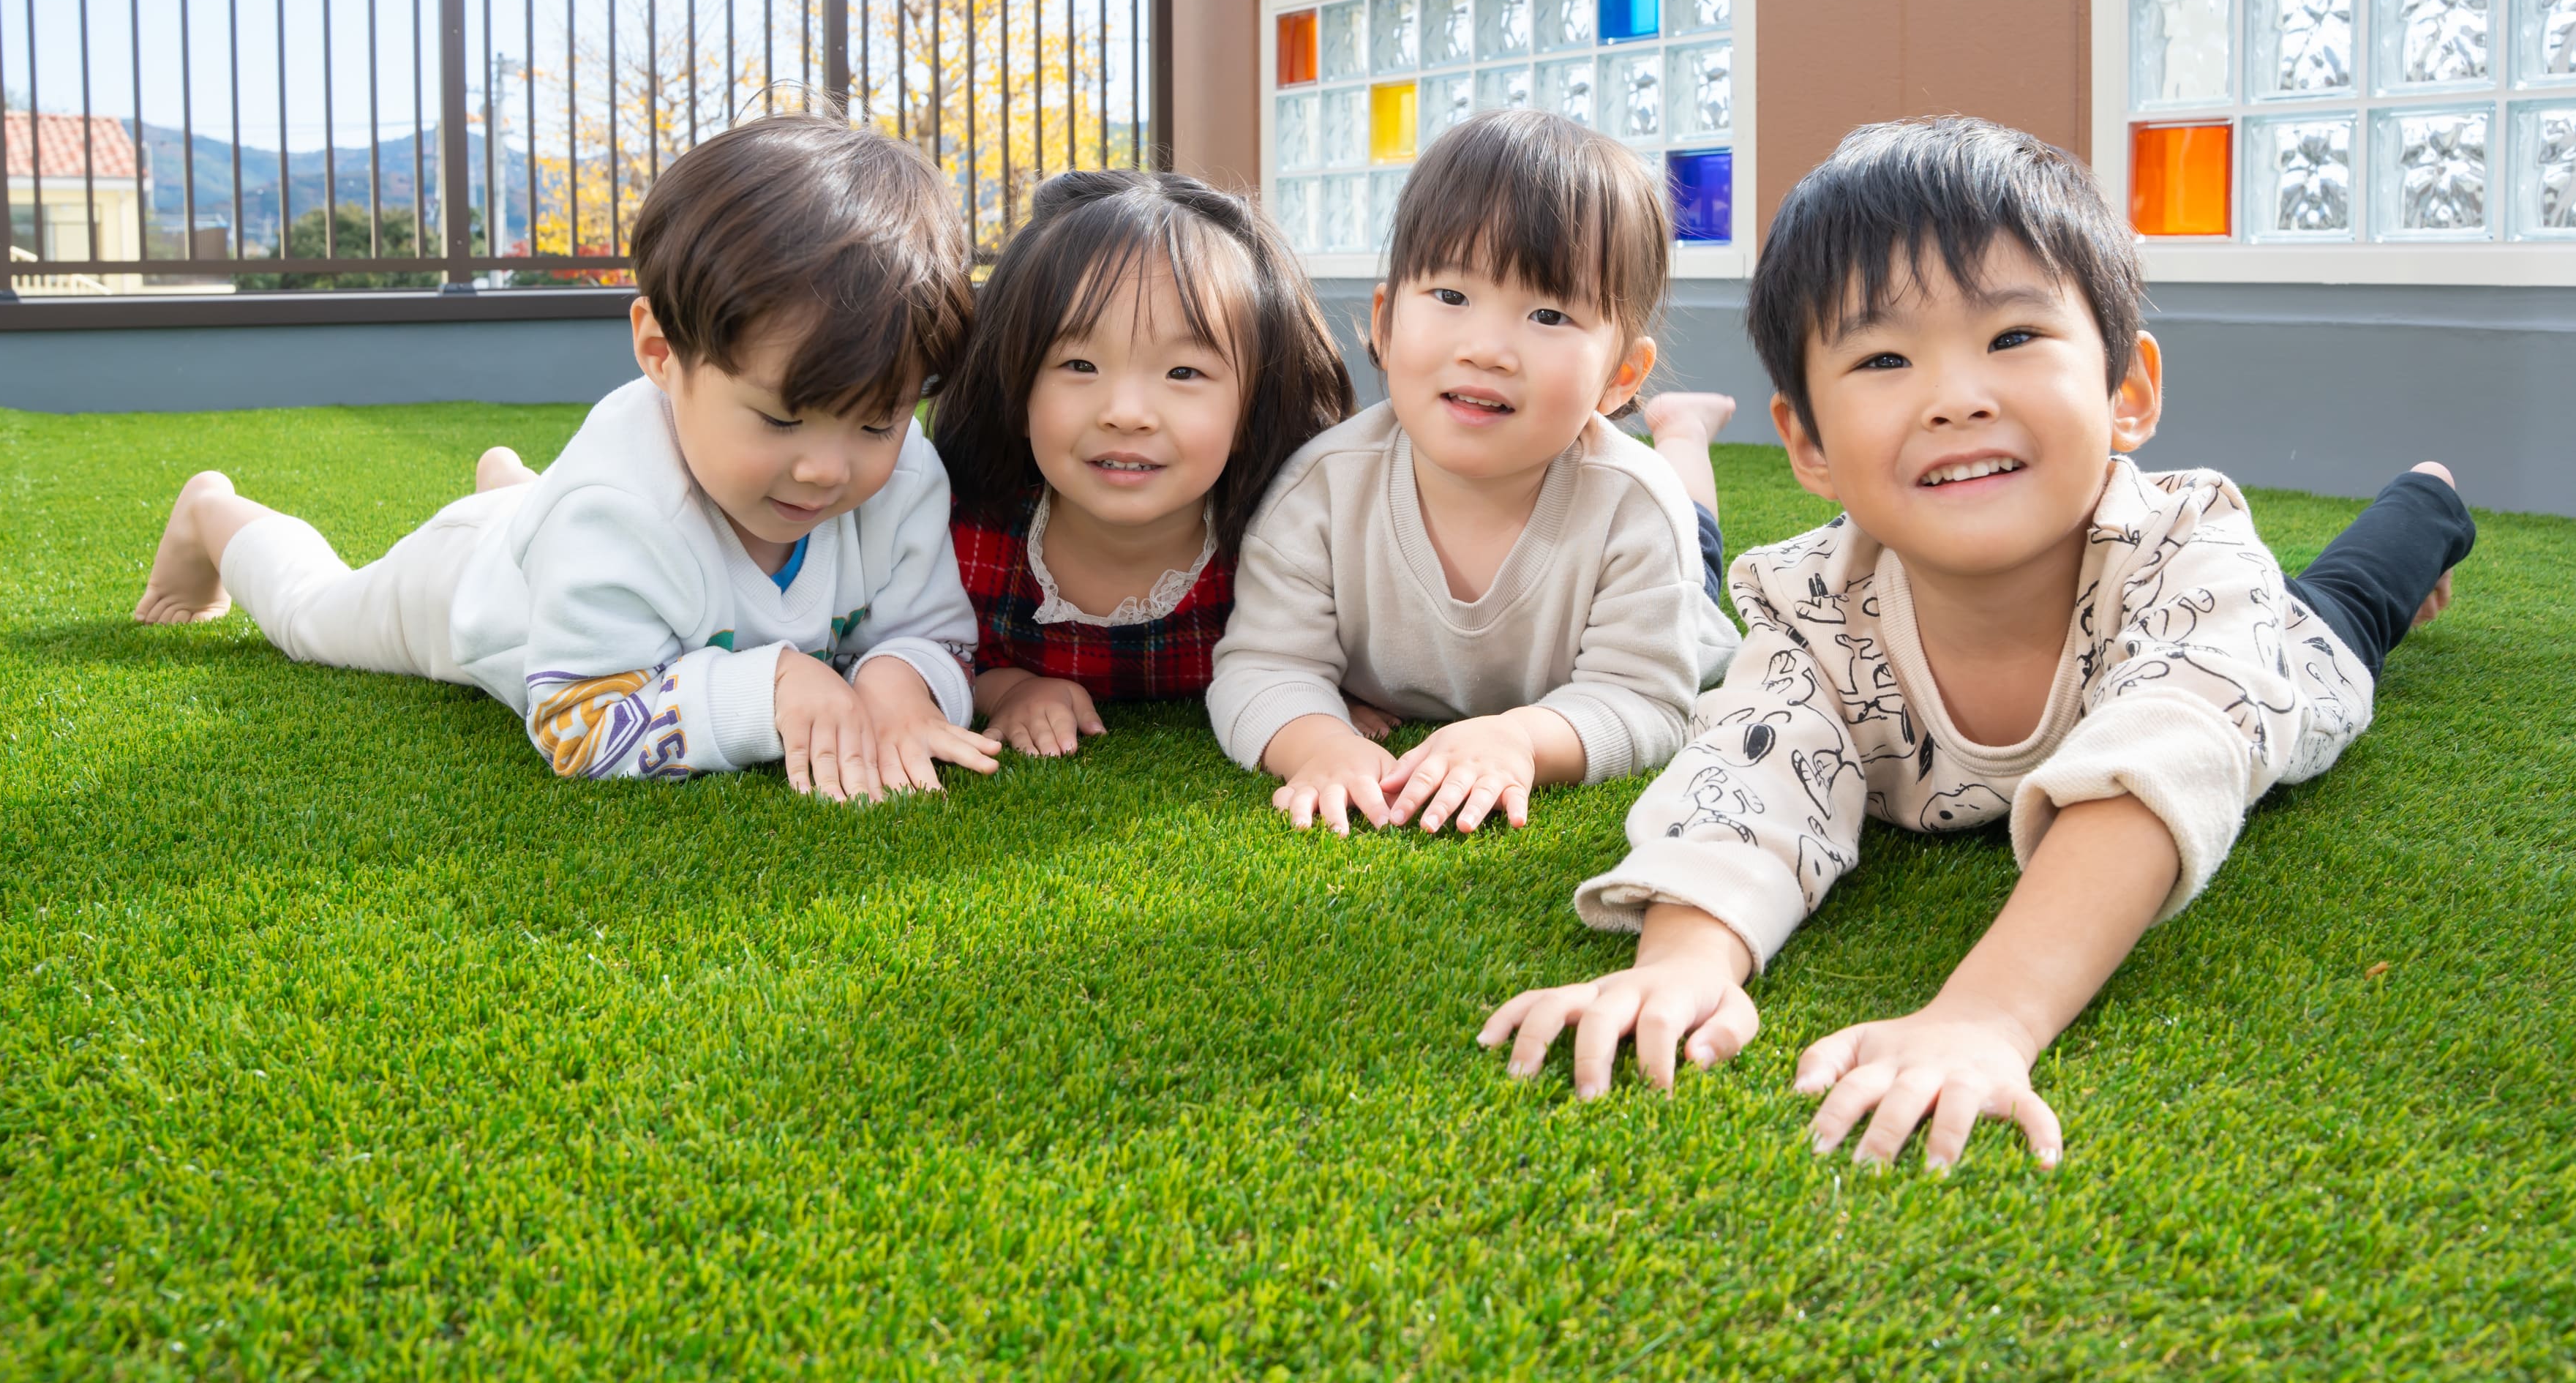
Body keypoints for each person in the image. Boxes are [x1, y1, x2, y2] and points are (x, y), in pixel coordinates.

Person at [1480, 116, 2475, 1171]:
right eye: (1883, 357)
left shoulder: (2189, 548)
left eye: (2011, 338)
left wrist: (1988, 1016)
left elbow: (2154, 763)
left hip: (2284, 658)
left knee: (2350, 603)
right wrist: (1684, 957)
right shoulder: (1810, 601)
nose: (1957, 397)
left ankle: (2431, 499)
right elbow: (1747, 770)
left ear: (2126, 391)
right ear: (1808, 441)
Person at [132, 108, 1002, 803]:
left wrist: (899, 684)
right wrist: (769, 686)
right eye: (780, 421)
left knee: (555, 511)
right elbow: (578, 724)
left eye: (875, 424)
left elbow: (930, 632)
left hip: (566, 532)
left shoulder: (907, 477)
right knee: (313, 619)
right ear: (661, 354)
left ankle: (516, 488)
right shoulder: (615, 510)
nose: (827, 468)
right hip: (470, 588)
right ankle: (215, 515)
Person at [1209, 110, 1745, 835]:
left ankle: (1680, 431)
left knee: (1693, 522)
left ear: (1620, 377)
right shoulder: (1321, 493)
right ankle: (1674, 423)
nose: (1487, 348)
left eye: (1549, 315)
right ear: (1387, 323)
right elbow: (1263, 666)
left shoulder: (1637, 511)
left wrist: (1520, 739)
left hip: (1668, 575)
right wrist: (1322, 743)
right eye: (1452, 297)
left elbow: (1645, 699)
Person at [933, 170, 1355, 756]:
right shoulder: (967, 535)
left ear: (1254, 406)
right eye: (1079, 364)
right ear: (1016, 386)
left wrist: (1327, 690)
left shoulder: (1294, 546)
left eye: (1183, 372)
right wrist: (1009, 690)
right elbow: (925, 648)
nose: (1126, 413)